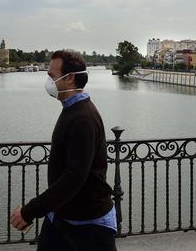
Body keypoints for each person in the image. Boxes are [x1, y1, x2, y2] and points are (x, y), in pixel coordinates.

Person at [10, 49, 116, 251]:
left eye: (52, 75)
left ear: (70, 79)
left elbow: (74, 177)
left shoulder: (83, 118)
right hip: (63, 216)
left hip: (88, 223)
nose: (48, 81)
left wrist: (29, 211)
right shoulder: (72, 110)